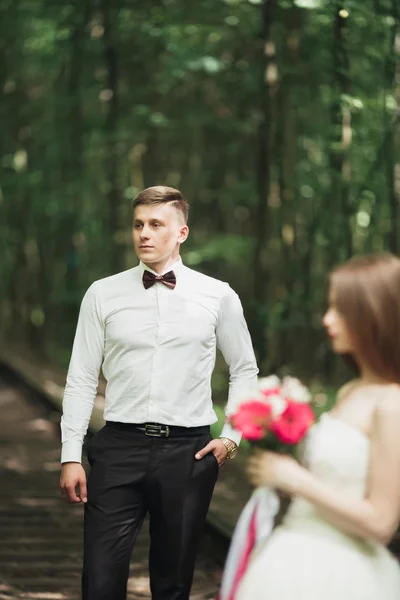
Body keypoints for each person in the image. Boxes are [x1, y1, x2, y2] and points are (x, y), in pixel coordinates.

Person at [59, 185, 258, 600]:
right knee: (99, 581)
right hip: (117, 448)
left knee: (172, 584)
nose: (144, 234)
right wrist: (71, 454)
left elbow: (244, 369)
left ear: (181, 232)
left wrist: (231, 437)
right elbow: (80, 377)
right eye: (137, 225)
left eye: (155, 224)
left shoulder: (218, 295)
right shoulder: (102, 293)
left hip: (188, 453)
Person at [236, 253, 400, 600]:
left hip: (340, 573)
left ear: (373, 314)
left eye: (340, 310)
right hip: (292, 553)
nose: (327, 320)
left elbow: (382, 524)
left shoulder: (392, 405)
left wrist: (292, 478)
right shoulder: (352, 390)